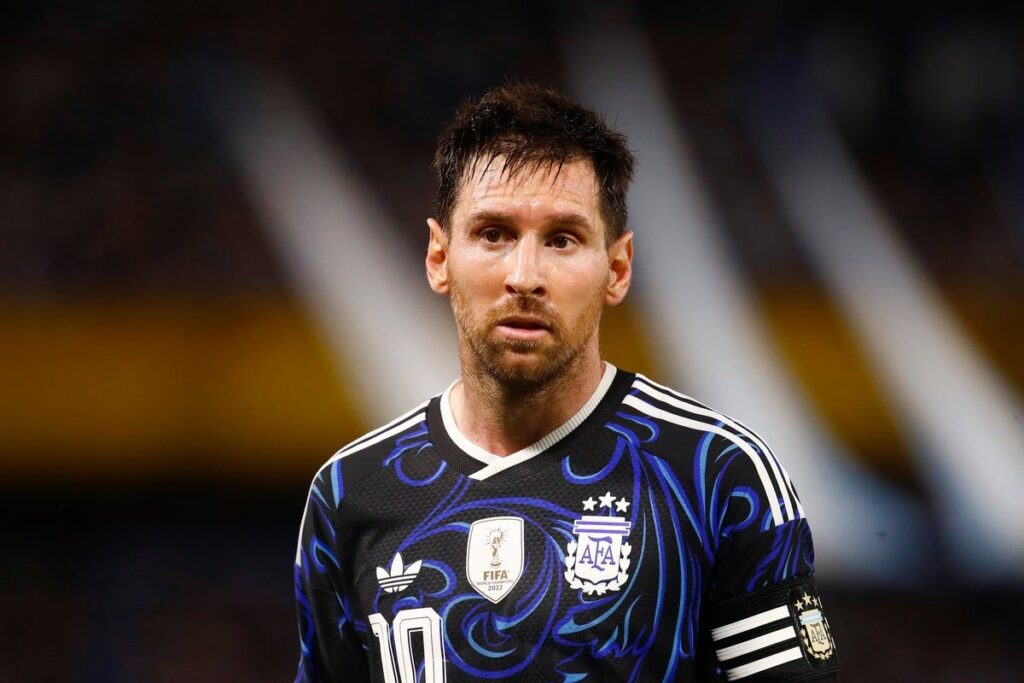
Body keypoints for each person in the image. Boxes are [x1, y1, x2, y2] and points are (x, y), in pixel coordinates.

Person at [293, 82, 839, 682]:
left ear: (618, 267)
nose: (525, 276)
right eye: (494, 233)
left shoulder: (715, 473)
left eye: (562, 239)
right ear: (438, 258)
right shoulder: (351, 491)